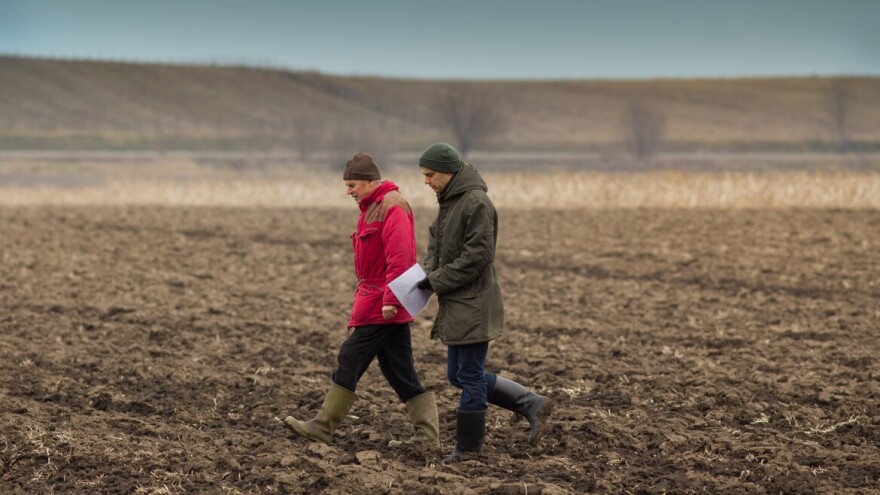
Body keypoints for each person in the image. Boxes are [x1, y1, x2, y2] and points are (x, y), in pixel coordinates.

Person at [284, 152, 439, 448]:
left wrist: (392, 300)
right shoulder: (372, 208)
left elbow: (401, 258)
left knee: (350, 358)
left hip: (384, 304)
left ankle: (322, 426)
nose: (348, 191)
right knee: (400, 371)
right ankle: (427, 439)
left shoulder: (392, 207)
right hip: (377, 301)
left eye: (352, 185)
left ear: (369, 182)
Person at [415, 142, 553, 463]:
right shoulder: (449, 202)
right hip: (458, 302)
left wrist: (435, 280)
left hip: (475, 303)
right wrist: (426, 275)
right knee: (457, 375)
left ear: (447, 172)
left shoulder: (476, 202)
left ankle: (468, 449)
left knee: (471, 376)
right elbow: (435, 248)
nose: (426, 181)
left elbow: (478, 257)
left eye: (429, 174)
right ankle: (532, 403)